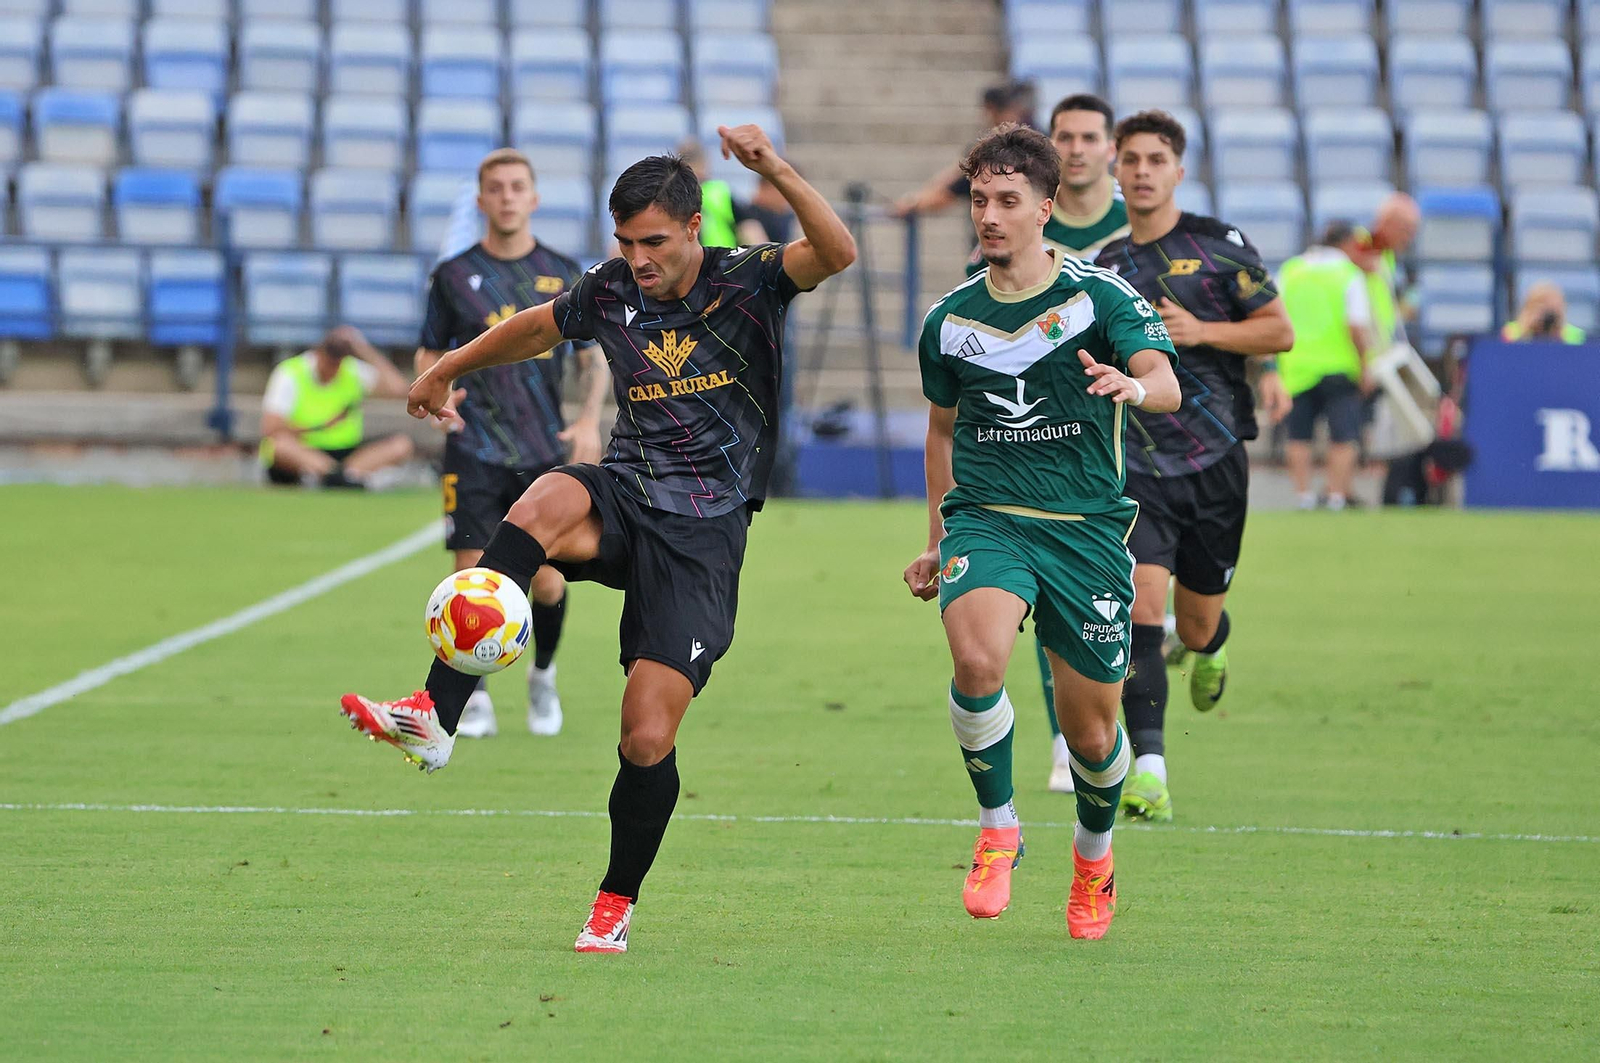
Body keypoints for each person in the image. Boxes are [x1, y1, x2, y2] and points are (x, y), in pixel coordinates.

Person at [339, 124, 856, 954]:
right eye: (625, 241)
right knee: (544, 493)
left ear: (693, 228)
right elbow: (535, 328)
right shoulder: (612, 288)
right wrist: (445, 370)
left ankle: (615, 901)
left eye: (653, 241)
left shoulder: (749, 280)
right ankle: (436, 713)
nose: (638, 257)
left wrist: (776, 170)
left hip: (704, 531)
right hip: (625, 490)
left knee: (645, 734)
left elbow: (836, 252)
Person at [903, 124, 1179, 939]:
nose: (988, 215)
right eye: (980, 200)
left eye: (1007, 201)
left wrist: (1135, 382)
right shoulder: (950, 320)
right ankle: (998, 827)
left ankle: (1093, 856)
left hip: (1086, 531)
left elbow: (1164, 378)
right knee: (978, 657)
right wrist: (934, 537)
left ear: (1045, 209)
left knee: (1093, 732)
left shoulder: (1099, 298)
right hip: (987, 518)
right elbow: (943, 431)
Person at [1093, 110, 1294, 824]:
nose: (1143, 170)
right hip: (1138, 464)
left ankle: (1212, 644)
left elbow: (1280, 330)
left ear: (1178, 170)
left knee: (1195, 621)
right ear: (1116, 172)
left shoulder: (1219, 245)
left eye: (1156, 159)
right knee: (1142, 608)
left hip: (1214, 461)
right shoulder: (1107, 267)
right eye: (1132, 159)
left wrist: (1203, 331)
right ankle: (1150, 768)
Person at [960, 92, 1130, 796]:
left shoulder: (1126, 239)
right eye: (1068, 136)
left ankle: (1107, 741)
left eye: (1091, 135)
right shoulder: (981, 276)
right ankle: (1062, 744)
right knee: (998, 622)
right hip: (1016, 471)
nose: (1080, 145)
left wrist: (1143, 382)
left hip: (1114, 442)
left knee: (1129, 613)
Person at [417, 148, 610, 739]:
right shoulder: (452, 276)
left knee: (548, 580)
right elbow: (429, 354)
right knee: (471, 579)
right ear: (480, 200)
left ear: (533, 198)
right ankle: (472, 699)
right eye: (495, 188)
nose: (506, 196)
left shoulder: (561, 271)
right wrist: (440, 392)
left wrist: (587, 421)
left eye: (516, 186)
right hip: (475, 448)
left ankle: (543, 676)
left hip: (543, 449)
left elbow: (592, 355)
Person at [1278, 221, 1376, 510]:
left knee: (1298, 435)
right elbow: (1356, 327)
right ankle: (1335, 496)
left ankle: (1304, 496)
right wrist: (1365, 365)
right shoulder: (1348, 274)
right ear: (1346, 243)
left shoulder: (1291, 270)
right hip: (1337, 366)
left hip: (1296, 367)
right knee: (1343, 434)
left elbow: (1277, 314)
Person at [259, 325, 414, 489]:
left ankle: (335, 477)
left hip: (347, 452)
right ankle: (340, 477)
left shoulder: (352, 370)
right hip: (306, 449)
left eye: (337, 364)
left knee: (401, 445)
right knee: (279, 446)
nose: (332, 370)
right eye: (329, 362)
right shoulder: (289, 372)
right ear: (319, 353)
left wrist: (365, 349)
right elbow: (271, 428)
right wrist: (320, 426)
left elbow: (399, 389)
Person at [892, 81, 1037, 218]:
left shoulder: (994, 154)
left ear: (990, 109)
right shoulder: (1039, 140)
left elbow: (947, 194)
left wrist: (913, 203)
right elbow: (956, 174)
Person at [1503, 282, 1587, 344]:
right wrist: (1527, 330)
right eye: (1542, 305)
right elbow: (1505, 352)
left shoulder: (1574, 334)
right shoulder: (1512, 330)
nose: (1547, 314)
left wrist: (1557, 333)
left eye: (1553, 307)